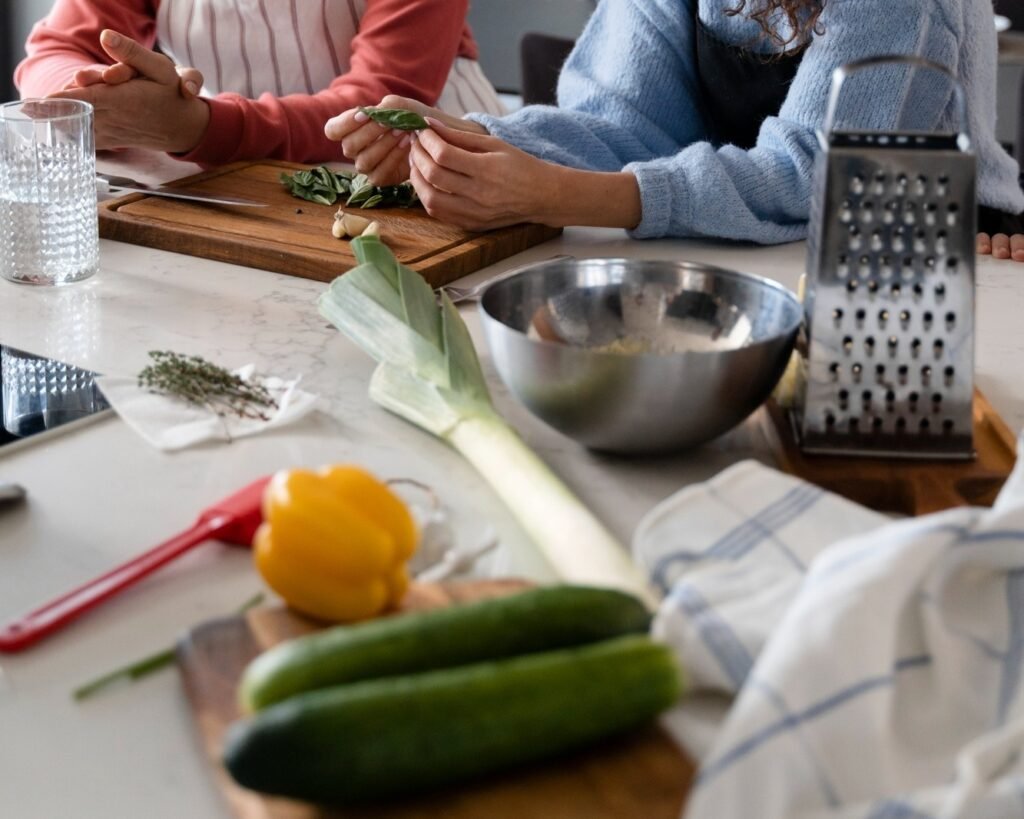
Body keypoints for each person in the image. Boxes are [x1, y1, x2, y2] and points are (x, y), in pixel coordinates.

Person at [327, 0, 1024, 262]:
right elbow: (621, 127)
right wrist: (466, 141)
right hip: (749, 240)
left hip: (938, 258)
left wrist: (557, 196)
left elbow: (819, 175)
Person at [15, 0, 504, 167]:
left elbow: (379, 103)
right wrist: (96, 94)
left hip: (421, 169)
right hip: (223, 172)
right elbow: (53, 50)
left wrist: (199, 127)